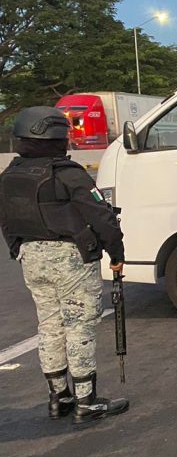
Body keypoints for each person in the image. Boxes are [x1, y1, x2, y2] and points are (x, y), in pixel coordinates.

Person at [0, 107, 128, 424]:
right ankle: (87, 402)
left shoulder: (9, 176)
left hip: (31, 259)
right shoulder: (68, 173)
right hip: (71, 260)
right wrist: (116, 252)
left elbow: (6, 220)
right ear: (57, 136)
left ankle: (59, 398)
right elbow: (102, 216)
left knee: (49, 326)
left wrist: (18, 248)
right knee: (78, 326)